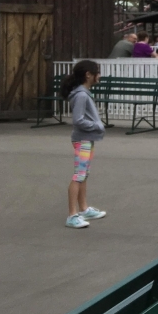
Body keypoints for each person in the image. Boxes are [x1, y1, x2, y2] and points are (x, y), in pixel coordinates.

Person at [61, 60, 107, 229]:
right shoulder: (81, 95)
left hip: (87, 139)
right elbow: (78, 120)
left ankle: (84, 208)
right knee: (79, 175)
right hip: (82, 140)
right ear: (88, 75)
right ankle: (72, 215)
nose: (99, 75)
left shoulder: (83, 93)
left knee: (84, 174)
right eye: (97, 72)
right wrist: (97, 126)